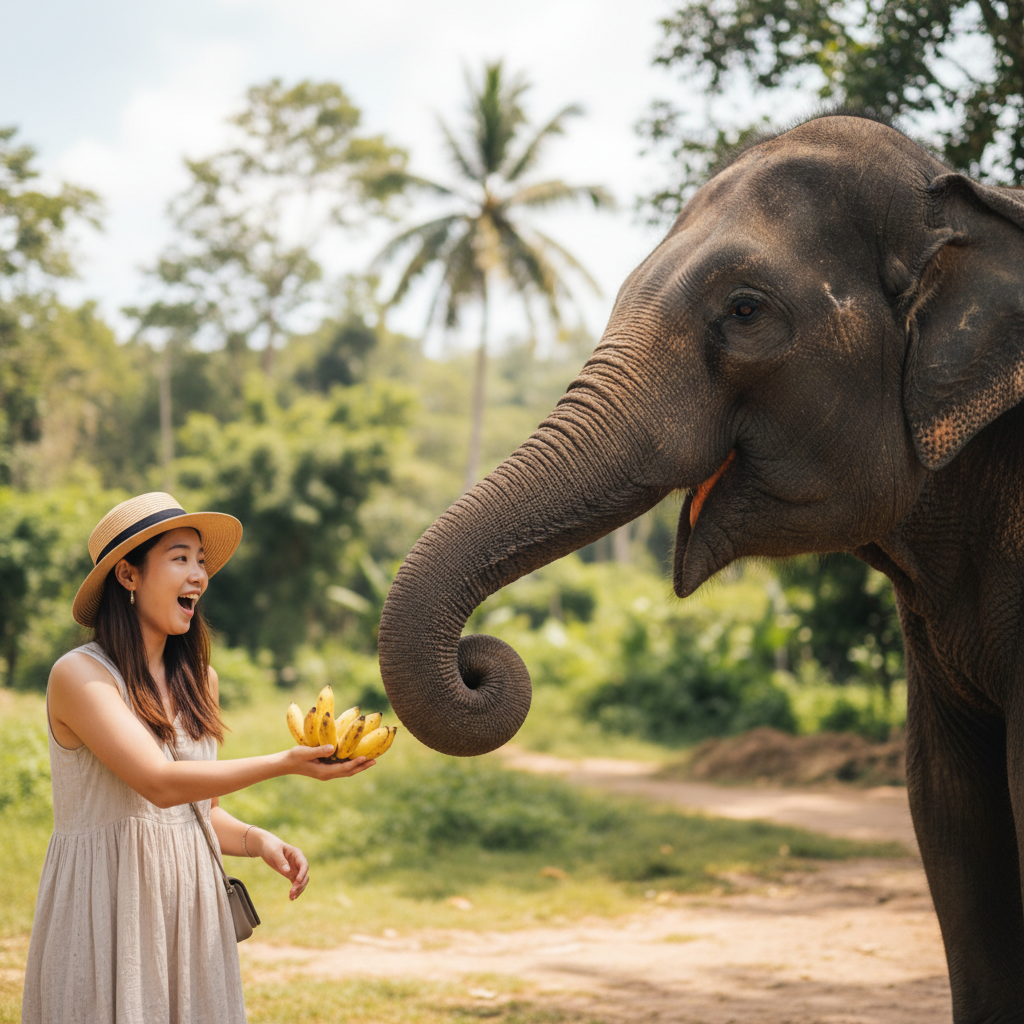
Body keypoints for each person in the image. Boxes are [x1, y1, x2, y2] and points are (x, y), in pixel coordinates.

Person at [21, 492, 373, 1024]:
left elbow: (199, 811)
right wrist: (284, 762)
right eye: (180, 558)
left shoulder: (200, 681)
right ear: (128, 575)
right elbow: (160, 784)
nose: (199, 576)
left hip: (191, 908)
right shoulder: (80, 676)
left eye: (202, 562)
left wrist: (259, 841)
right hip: (108, 907)